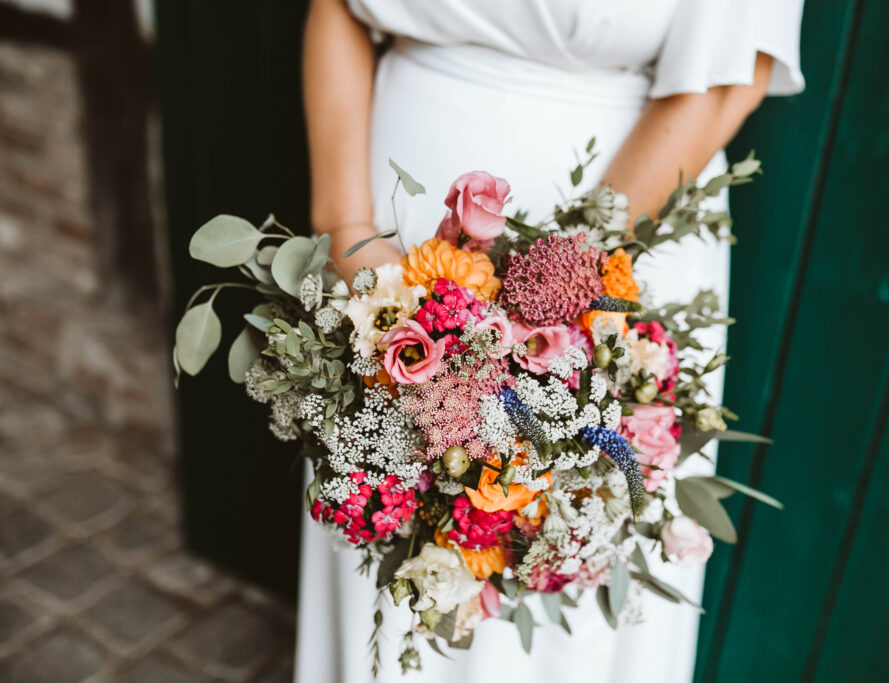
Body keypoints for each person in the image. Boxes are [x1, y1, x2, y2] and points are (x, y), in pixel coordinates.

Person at [296, 2, 804, 681]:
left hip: (625, 224)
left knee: (572, 539)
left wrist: (559, 294)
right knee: (386, 525)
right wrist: (346, 222)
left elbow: (730, 71)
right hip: (393, 230)